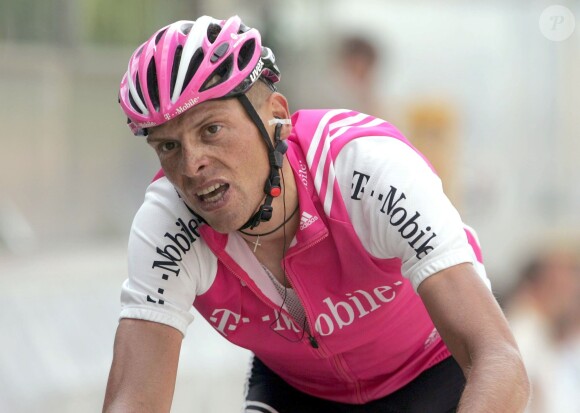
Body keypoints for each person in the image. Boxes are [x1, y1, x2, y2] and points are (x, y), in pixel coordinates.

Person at [103, 15, 529, 413]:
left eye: (211, 130)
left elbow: (497, 357)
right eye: (168, 146)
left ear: (277, 117)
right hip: (299, 390)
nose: (192, 164)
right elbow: (134, 400)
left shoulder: (368, 171)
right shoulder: (166, 222)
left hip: (432, 373)